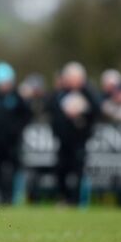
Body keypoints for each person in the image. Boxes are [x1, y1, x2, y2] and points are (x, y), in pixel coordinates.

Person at [47, 61, 99, 205]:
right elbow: (51, 109)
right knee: (61, 170)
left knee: (78, 171)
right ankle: (64, 198)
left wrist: (81, 112)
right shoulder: (60, 94)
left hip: (80, 140)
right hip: (63, 140)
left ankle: (77, 200)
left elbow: (96, 109)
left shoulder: (88, 93)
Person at [0, 62, 31, 204]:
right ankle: (1, 197)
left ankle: (15, 197)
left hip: (14, 141)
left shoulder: (17, 97)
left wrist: (17, 129)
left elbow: (26, 115)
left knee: (14, 168)